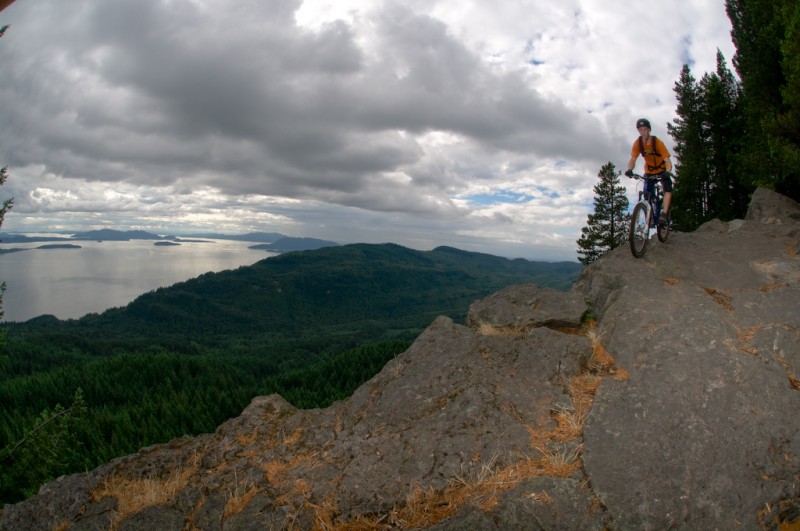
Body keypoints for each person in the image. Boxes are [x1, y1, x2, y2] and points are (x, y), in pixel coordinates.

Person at [624, 118, 673, 223]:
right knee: (647, 194)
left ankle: (664, 213)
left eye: (645, 129)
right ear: (638, 131)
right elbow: (633, 159)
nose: (643, 132)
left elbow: (667, 161)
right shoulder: (638, 143)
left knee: (668, 190)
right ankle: (650, 216)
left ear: (649, 129)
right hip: (649, 171)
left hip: (662, 170)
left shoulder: (658, 143)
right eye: (640, 129)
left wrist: (668, 172)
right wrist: (629, 169)